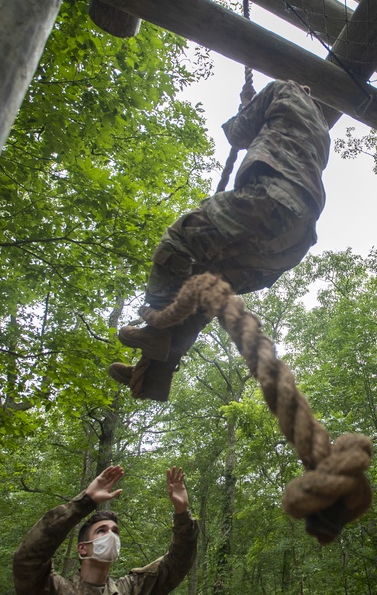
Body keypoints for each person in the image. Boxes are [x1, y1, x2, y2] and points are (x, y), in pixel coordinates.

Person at [109, 79, 331, 401]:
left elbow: (238, 133)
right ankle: (155, 373)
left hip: (269, 200)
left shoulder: (282, 90)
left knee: (179, 238)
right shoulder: (321, 129)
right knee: (209, 285)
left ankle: (156, 330)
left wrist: (246, 106)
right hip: (295, 239)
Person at [13, 465, 199, 595]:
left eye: (115, 532)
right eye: (102, 531)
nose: (111, 536)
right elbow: (27, 559)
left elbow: (176, 564)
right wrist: (84, 502)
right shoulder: (54, 594)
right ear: (82, 549)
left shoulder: (127, 594)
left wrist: (182, 514)